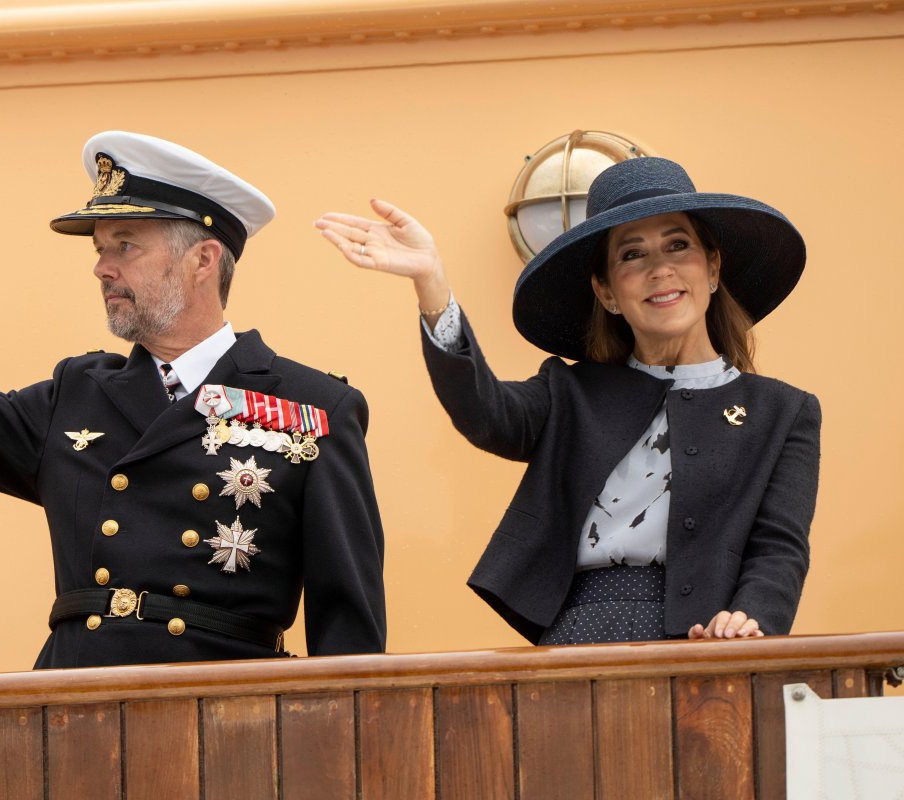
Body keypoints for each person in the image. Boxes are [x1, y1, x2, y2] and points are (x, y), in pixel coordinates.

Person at [0, 130, 386, 667]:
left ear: (203, 259)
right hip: (72, 713)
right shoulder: (75, 396)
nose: (101, 268)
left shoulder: (313, 407)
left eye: (125, 247)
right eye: (99, 250)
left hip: (229, 720)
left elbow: (348, 623)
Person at [316, 156, 819, 645]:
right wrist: (431, 282)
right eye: (631, 254)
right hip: (580, 634)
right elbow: (485, 413)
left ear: (712, 268)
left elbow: (779, 548)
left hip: (709, 641)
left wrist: (749, 622)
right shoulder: (570, 392)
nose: (660, 269)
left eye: (677, 245)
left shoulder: (784, 412)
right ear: (606, 293)